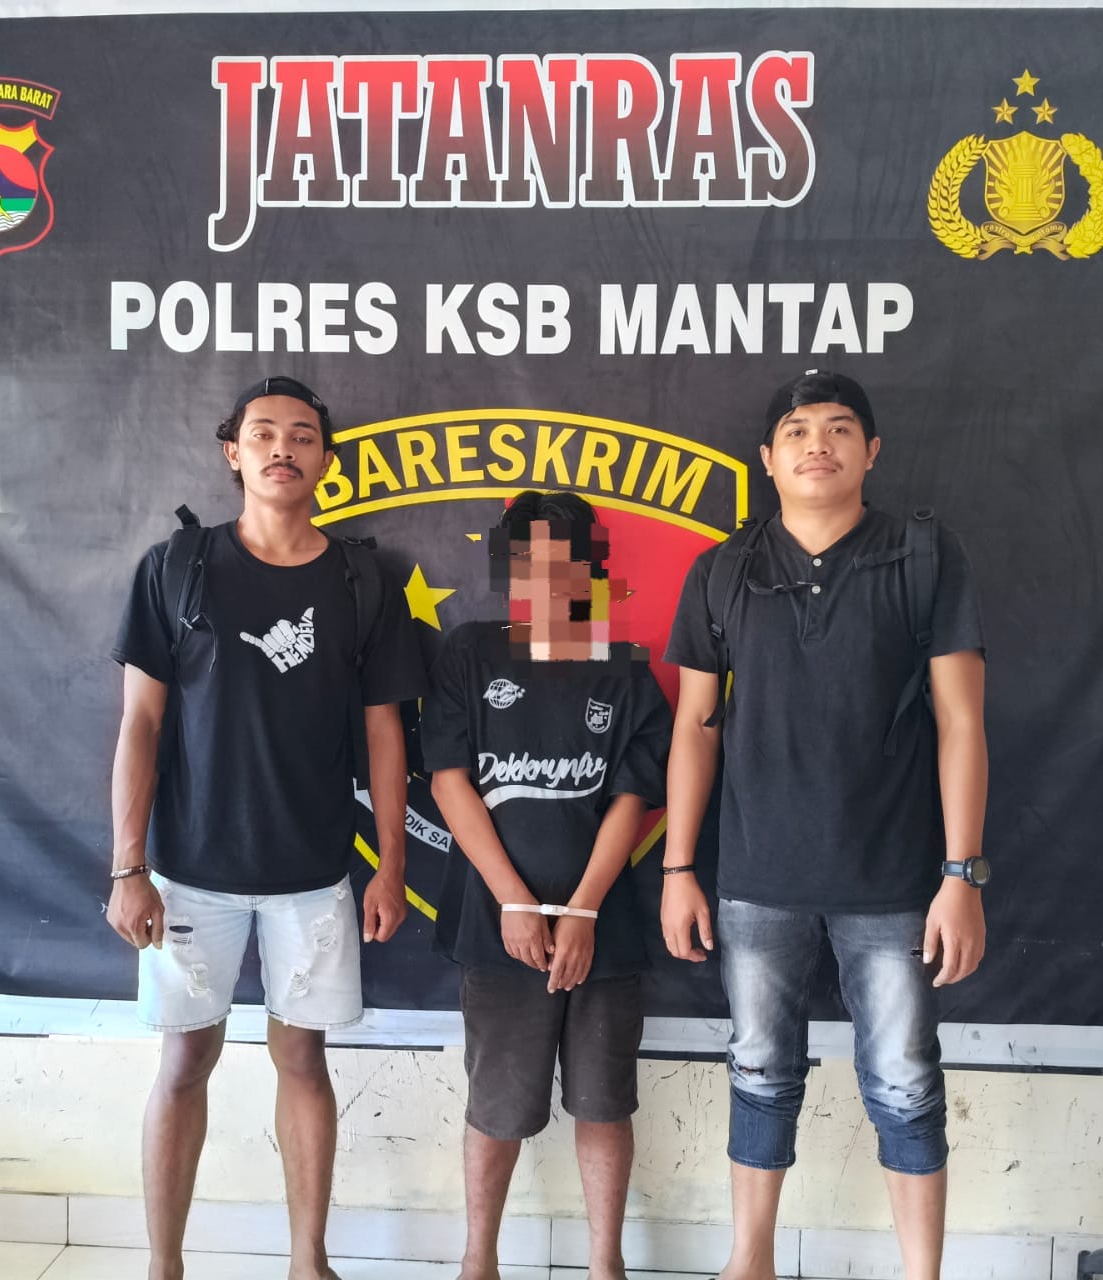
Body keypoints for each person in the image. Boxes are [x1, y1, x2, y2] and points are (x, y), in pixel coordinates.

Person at [661, 371, 988, 1280]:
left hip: (894, 880)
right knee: (760, 1071)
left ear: (871, 451)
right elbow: (694, 727)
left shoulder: (923, 556)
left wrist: (962, 875)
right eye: (798, 430)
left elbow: (962, 723)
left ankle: (921, 1273)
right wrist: (678, 869)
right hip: (757, 877)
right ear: (766, 459)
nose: (818, 444)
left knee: (906, 1081)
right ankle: (750, 1261)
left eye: (840, 428)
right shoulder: (723, 569)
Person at [106, 375, 425, 1280]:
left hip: (314, 873)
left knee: (304, 1061)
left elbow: (385, 732)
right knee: (183, 1064)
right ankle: (164, 1265)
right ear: (233, 452)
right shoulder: (176, 567)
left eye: (303, 435)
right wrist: (128, 867)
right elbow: (139, 724)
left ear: (325, 460)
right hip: (188, 870)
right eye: (263, 433)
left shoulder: (364, 580)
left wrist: (391, 864)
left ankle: (307, 1263)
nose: (283, 447)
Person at [422, 491, 673, 1280]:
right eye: (527, 558)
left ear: (590, 568)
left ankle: (606, 1265)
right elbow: (450, 780)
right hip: (498, 927)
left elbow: (632, 798)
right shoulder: (469, 653)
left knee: (604, 1101)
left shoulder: (624, 669)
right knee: (497, 1106)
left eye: (562, 558)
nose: (544, 574)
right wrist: (515, 899)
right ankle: (478, 1262)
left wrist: (584, 909)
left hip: (604, 928)